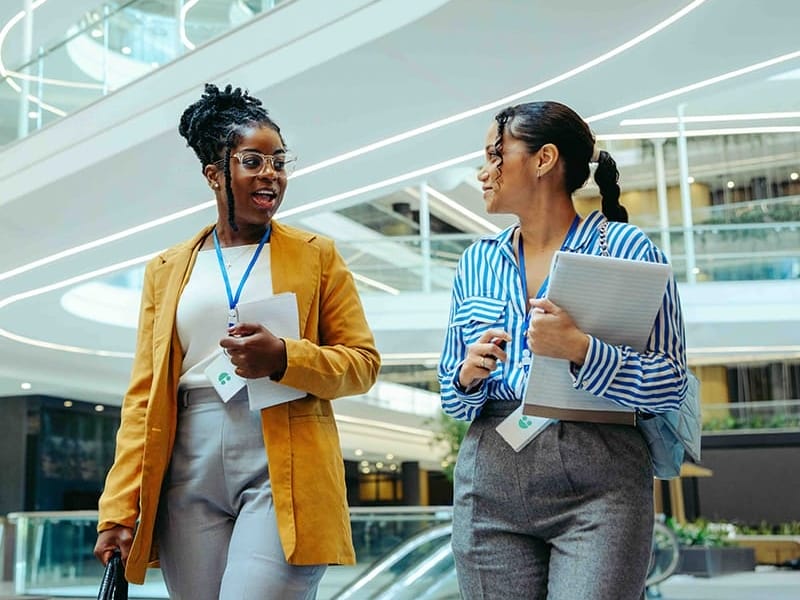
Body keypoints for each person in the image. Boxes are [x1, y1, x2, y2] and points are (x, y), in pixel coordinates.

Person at [93, 83, 381, 599]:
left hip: (284, 450)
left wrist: (284, 358)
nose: (271, 173)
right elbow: (143, 399)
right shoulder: (166, 269)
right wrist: (120, 506)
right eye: (253, 161)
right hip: (188, 456)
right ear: (214, 174)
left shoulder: (318, 256)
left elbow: (362, 364)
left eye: (279, 162)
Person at [437, 101, 688, 600]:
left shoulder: (626, 247)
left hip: (601, 482)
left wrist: (581, 350)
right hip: (490, 476)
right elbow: (451, 394)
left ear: (543, 159)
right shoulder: (476, 261)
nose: (483, 172)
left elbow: (670, 380)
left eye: (494, 154)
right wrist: (467, 376)